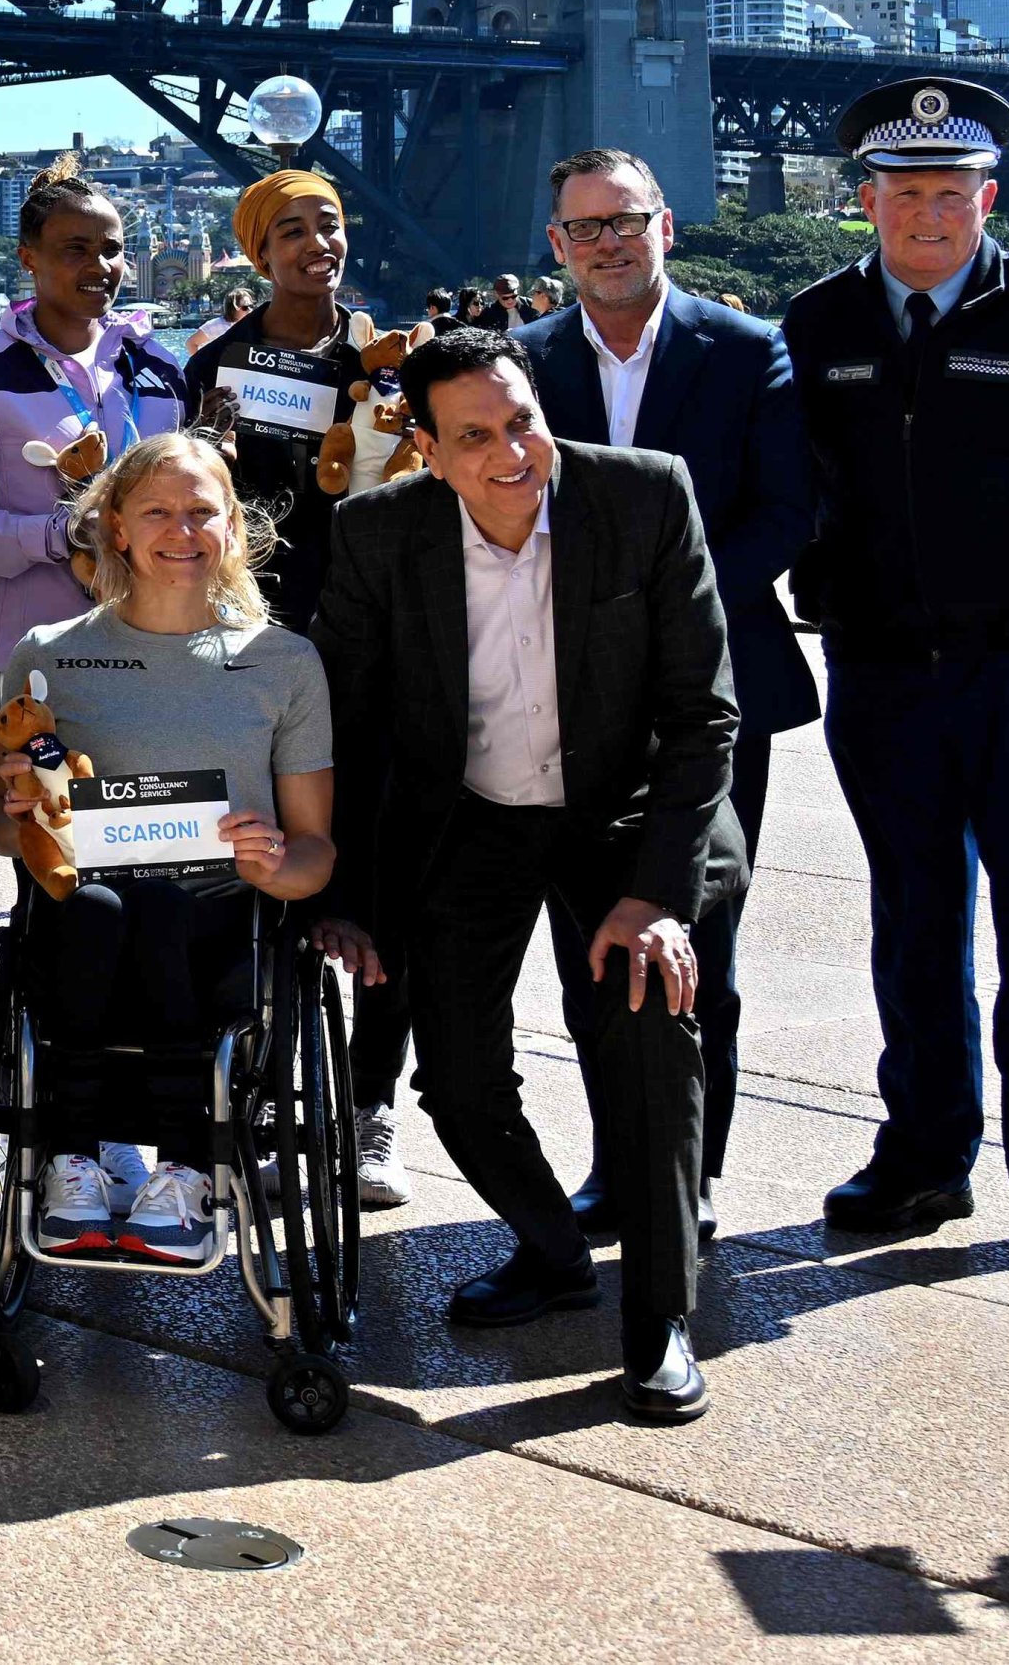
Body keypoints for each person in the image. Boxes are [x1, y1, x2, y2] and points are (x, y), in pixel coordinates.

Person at [314, 325, 737, 1423]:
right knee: (454, 1077)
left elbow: (704, 716)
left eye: (522, 423)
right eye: (475, 438)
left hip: (625, 818)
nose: (510, 454)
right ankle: (553, 1253)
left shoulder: (644, 497)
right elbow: (350, 738)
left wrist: (654, 899)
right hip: (472, 820)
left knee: (648, 1034)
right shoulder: (374, 535)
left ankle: (658, 1319)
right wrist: (347, 901)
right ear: (428, 448)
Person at [782, 76, 1009, 1274]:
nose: (927, 214)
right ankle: (924, 1157)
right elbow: (790, 489)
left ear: (989, 196)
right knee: (913, 926)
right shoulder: (818, 328)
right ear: (864, 200)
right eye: (902, 192)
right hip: (886, 670)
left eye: (950, 192)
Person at [521, 147, 812, 1246]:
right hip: (566, 697)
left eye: (624, 220)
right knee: (588, 942)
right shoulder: (526, 360)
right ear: (556, 245)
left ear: (665, 226)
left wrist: (662, 605)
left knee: (702, 942)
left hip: (715, 688)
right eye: (584, 227)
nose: (606, 242)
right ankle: (614, 1165)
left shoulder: (746, 353)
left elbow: (789, 512)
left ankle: (687, 1174)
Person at [0, 435, 338, 1268]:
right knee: (101, 905)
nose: (182, 531)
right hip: (82, 922)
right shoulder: (47, 655)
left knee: (168, 906)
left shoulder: (283, 663)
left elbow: (316, 850)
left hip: (218, 920)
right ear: (114, 528)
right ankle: (71, 1155)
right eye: (157, 512)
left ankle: (184, 1162)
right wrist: (10, 804)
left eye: (201, 512)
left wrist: (274, 863)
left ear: (233, 528)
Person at [177, 168, 419, 1204]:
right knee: (266, 871)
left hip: (376, 644)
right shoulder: (223, 364)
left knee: (379, 876)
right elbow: (213, 496)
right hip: (262, 643)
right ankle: (268, 1090)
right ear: (255, 253)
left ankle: (370, 1107)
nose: (313, 243)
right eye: (288, 231)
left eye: (326, 224)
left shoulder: (385, 358)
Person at [0, 152, 191, 690]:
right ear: (29, 257)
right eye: (77, 250)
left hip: (155, 650)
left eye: (112, 250)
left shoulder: (161, 367)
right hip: (26, 657)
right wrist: (63, 534)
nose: (101, 267)